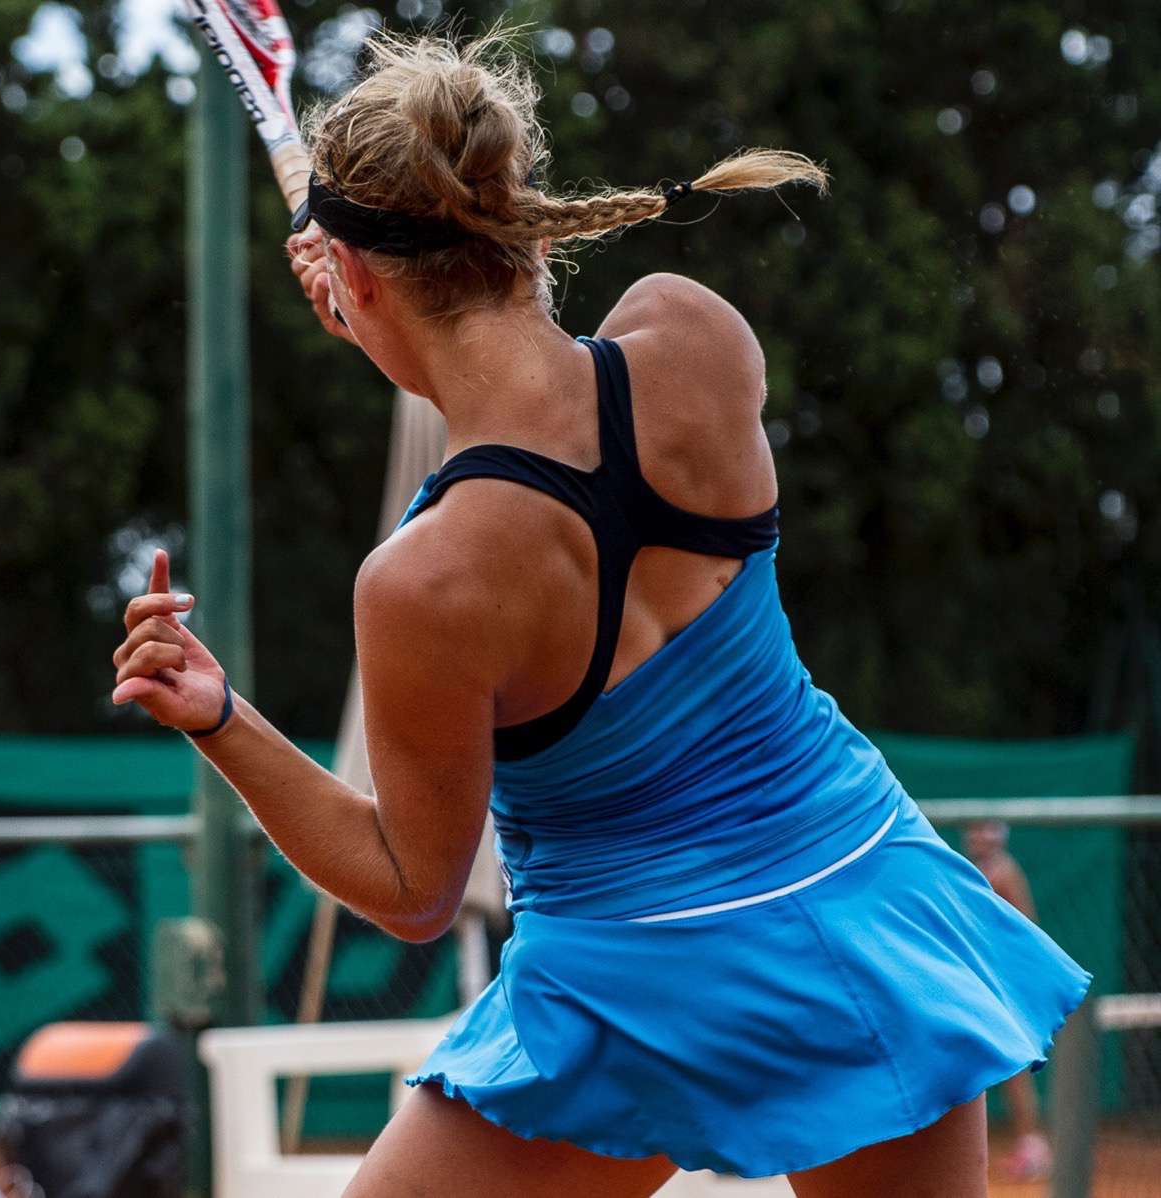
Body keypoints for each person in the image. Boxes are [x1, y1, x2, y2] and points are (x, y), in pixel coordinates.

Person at [111, 34, 1086, 1197]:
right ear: (510, 215)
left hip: (637, 972)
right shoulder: (696, 337)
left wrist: (221, 717)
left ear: (356, 281)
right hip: (864, 896)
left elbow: (415, 890)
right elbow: (547, 418)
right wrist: (396, 324)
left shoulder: (427, 580)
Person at [965, 819, 1055, 1181]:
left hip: (1005, 981)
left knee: (1016, 1070)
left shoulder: (1003, 870)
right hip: (987, 981)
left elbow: (1023, 924)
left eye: (986, 830)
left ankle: (1032, 1147)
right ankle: (1027, 1145)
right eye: (974, 830)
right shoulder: (978, 870)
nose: (979, 837)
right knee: (999, 1067)